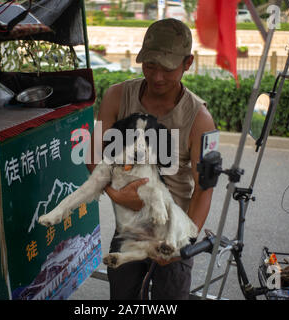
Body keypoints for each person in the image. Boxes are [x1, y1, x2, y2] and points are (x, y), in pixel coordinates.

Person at [87, 18, 216, 300]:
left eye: (168, 68)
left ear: (187, 63)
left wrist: (182, 245)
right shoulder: (117, 97)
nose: (157, 77)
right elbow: (94, 155)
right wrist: (117, 195)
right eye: (150, 66)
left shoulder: (199, 120)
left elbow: (203, 189)